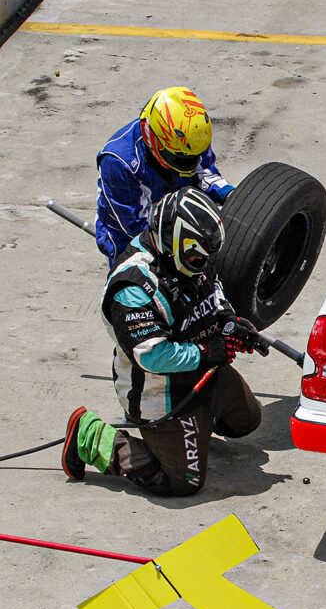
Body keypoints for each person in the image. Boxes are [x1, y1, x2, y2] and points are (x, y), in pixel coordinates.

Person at [62, 187, 261, 495]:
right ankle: (90, 436)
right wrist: (208, 352)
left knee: (247, 421)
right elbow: (152, 355)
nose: (203, 263)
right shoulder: (133, 287)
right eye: (197, 257)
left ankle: (192, 428)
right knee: (182, 483)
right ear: (173, 241)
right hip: (159, 391)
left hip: (202, 371)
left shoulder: (193, 256)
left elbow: (215, 292)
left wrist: (231, 322)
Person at [95, 87, 234, 268]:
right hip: (131, 238)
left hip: (177, 210)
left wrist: (232, 195)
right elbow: (135, 227)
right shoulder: (119, 162)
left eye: (193, 157)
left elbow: (205, 173)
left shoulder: (191, 139)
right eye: (181, 159)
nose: (190, 164)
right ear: (154, 140)